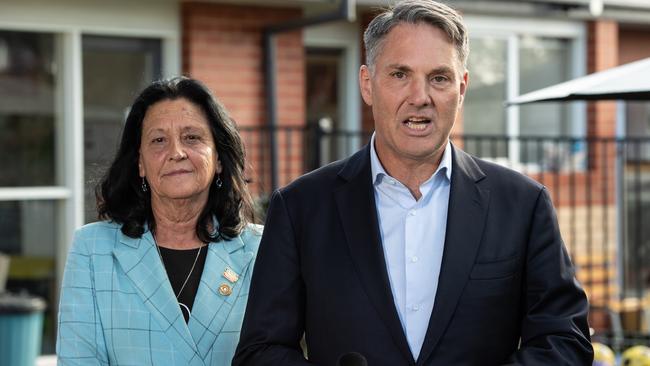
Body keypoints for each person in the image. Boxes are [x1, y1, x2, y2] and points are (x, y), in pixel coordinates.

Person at [233, 1, 593, 365]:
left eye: (439, 78)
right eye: (399, 74)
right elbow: (261, 352)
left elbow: (564, 341)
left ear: (462, 87)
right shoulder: (301, 208)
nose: (420, 98)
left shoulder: (522, 205)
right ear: (367, 85)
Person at [57, 77, 261, 365]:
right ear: (140, 163)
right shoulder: (92, 249)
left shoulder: (261, 249)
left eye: (192, 137)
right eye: (158, 140)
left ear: (217, 158)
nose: (176, 153)